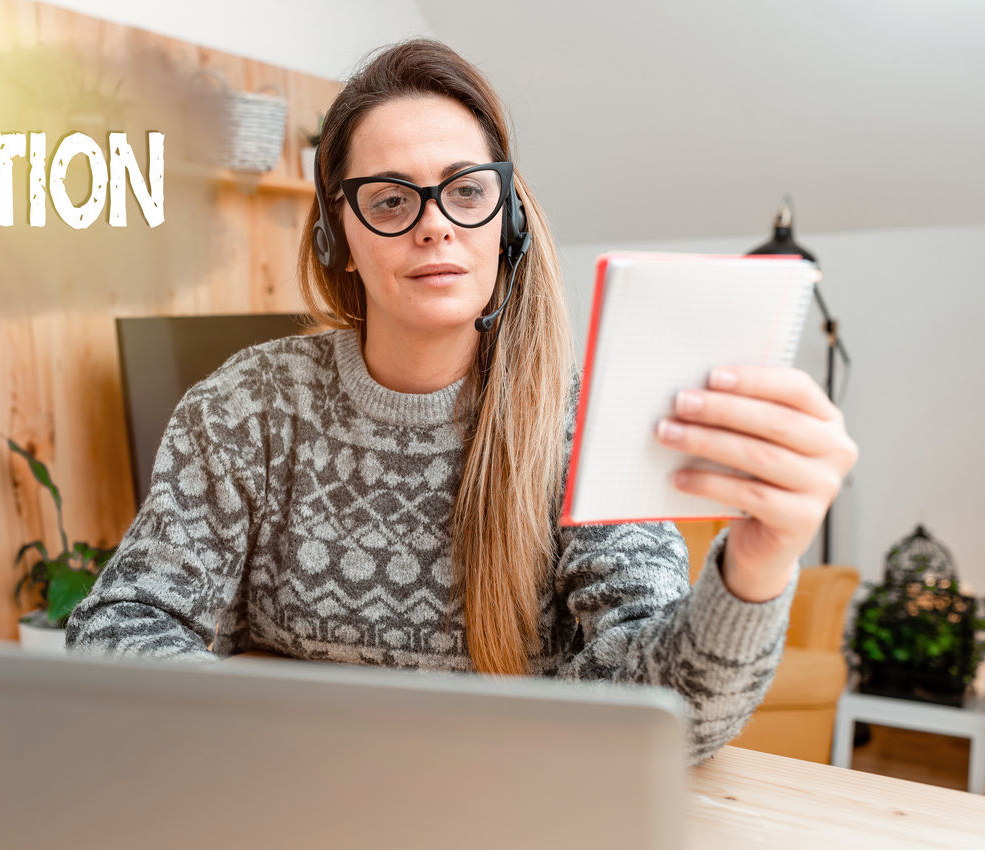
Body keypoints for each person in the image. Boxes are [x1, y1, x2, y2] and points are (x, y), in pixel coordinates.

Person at [66, 38, 859, 763]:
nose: (435, 227)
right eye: (389, 199)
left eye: (465, 191)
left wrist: (758, 564)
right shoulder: (247, 407)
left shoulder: (579, 428)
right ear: (335, 235)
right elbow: (117, 629)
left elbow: (660, 715)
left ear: (506, 217)